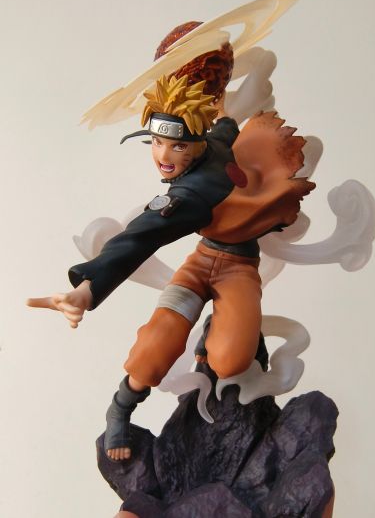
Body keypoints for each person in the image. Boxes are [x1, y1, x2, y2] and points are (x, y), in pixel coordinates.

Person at [28, 74, 315, 462]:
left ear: (197, 142)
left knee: (231, 361)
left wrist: (88, 288)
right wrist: (87, 288)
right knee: (156, 344)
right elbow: (139, 237)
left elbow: (141, 236)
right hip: (200, 265)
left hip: (239, 268)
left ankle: (215, 332)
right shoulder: (212, 146)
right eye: (156, 142)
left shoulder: (192, 192)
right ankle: (121, 408)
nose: (163, 156)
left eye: (177, 145)